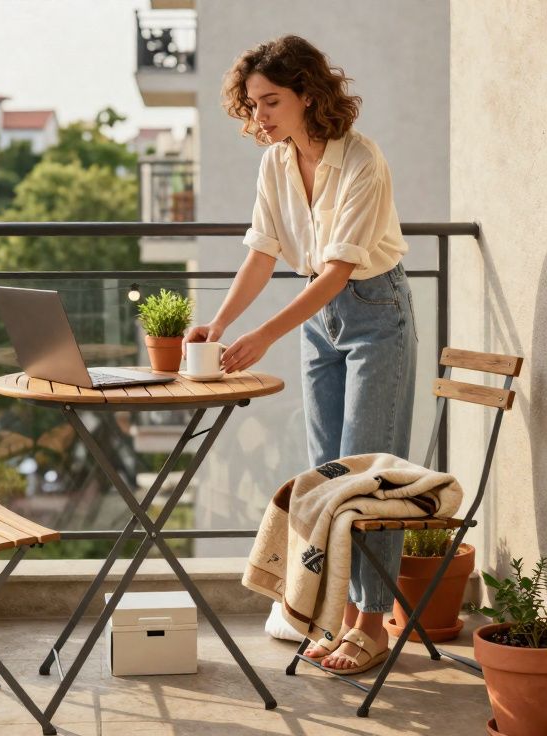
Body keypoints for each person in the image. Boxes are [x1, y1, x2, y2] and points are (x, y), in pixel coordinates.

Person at [185, 35, 417, 675]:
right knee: (327, 474)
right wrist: (222, 322)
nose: (258, 116)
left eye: (270, 101)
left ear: (308, 95)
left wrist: (262, 337)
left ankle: (371, 626)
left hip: (374, 316)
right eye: (253, 103)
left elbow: (339, 271)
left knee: (369, 481)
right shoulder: (277, 164)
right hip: (319, 319)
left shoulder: (362, 160)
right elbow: (262, 254)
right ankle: (339, 616)